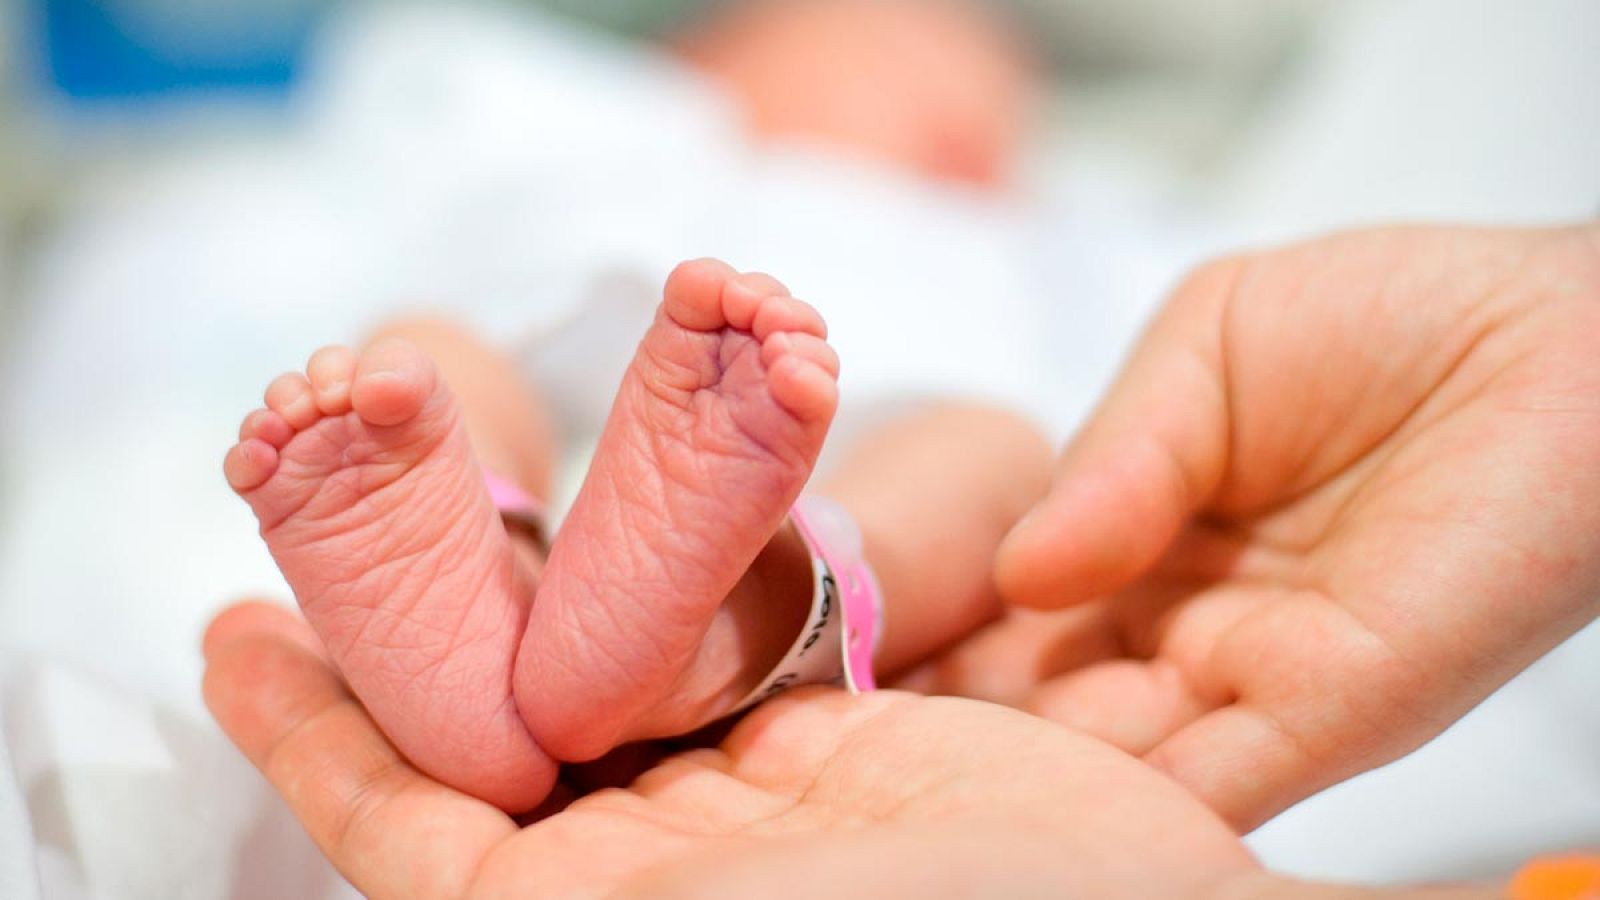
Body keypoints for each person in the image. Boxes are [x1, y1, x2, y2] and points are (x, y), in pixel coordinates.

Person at [208, 222, 1600, 895]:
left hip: (693, 408)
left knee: (430, 356)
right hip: (705, 383)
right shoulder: (574, 130)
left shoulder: (1022, 211)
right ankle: (673, 618)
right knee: (988, 458)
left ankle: (579, 603)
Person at [223, 259, 1052, 812]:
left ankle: (594, 619)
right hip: (718, 391)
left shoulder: (1020, 230)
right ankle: (603, 629)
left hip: (748, 421)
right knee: (418, 355)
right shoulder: (627, 121)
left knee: (999, 444)